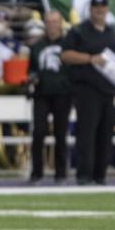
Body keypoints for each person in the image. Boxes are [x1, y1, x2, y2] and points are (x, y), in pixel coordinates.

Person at [60, 0, 115, 185]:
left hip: (110, 88)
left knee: (106, 133)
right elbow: (65, 55)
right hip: (87, 89)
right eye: (96, 8)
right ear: (90, 10)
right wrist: (90, 59)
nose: (100, 11)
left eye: (103, 8)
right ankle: (84, 174)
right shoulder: (79, 31)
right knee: (87, 133)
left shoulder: (114, 33)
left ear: (107, 10)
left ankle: (100, 175)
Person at [27, 10, 72, 184]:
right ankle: (36, 171)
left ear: (60, 23)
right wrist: (32, 77)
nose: (52, 25)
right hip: (42, 93)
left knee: (61, 133)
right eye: (49, 22)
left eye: (55, 22)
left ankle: (60, 172)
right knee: (38, 132)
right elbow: (31, 68)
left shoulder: (68, 44)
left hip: (63, 93)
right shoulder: (37, 46)